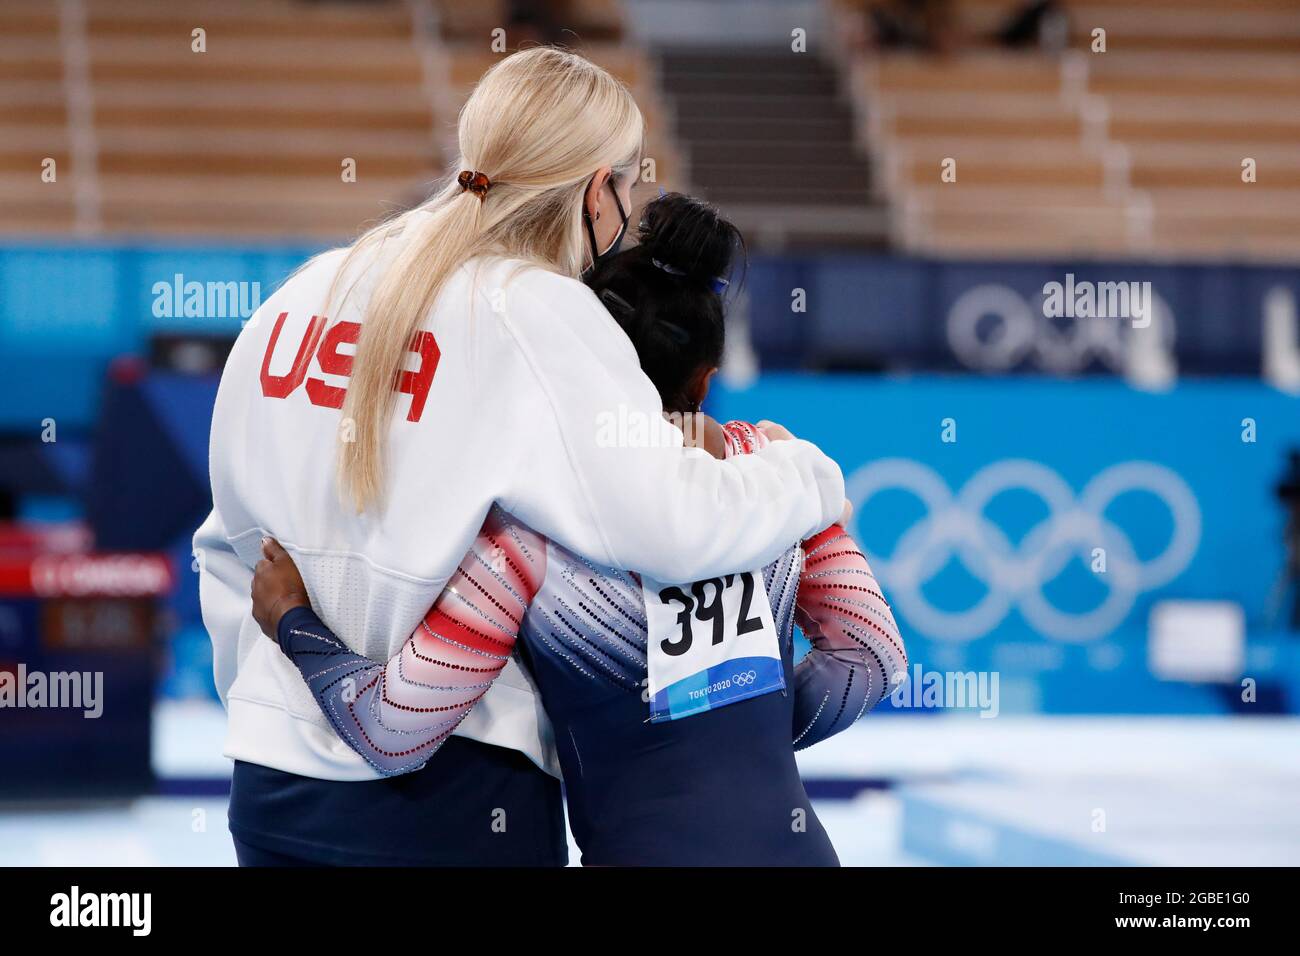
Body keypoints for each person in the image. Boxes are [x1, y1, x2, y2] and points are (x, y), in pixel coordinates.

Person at [193, 49, 847, 867]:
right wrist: (806, 475)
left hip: (270, 788)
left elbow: (227, 548)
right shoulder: (536, 313)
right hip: (453, 794)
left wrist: (271, 711)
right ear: (593, 190)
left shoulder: (300, 294)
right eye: (626, 190)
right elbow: (676, 522)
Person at [250, 194, 907, 865]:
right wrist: (745, 735)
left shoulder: (531, 538)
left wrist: (293, 622)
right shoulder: (777, 474)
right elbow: (874, 657)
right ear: (705, 382)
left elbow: (393, 732)